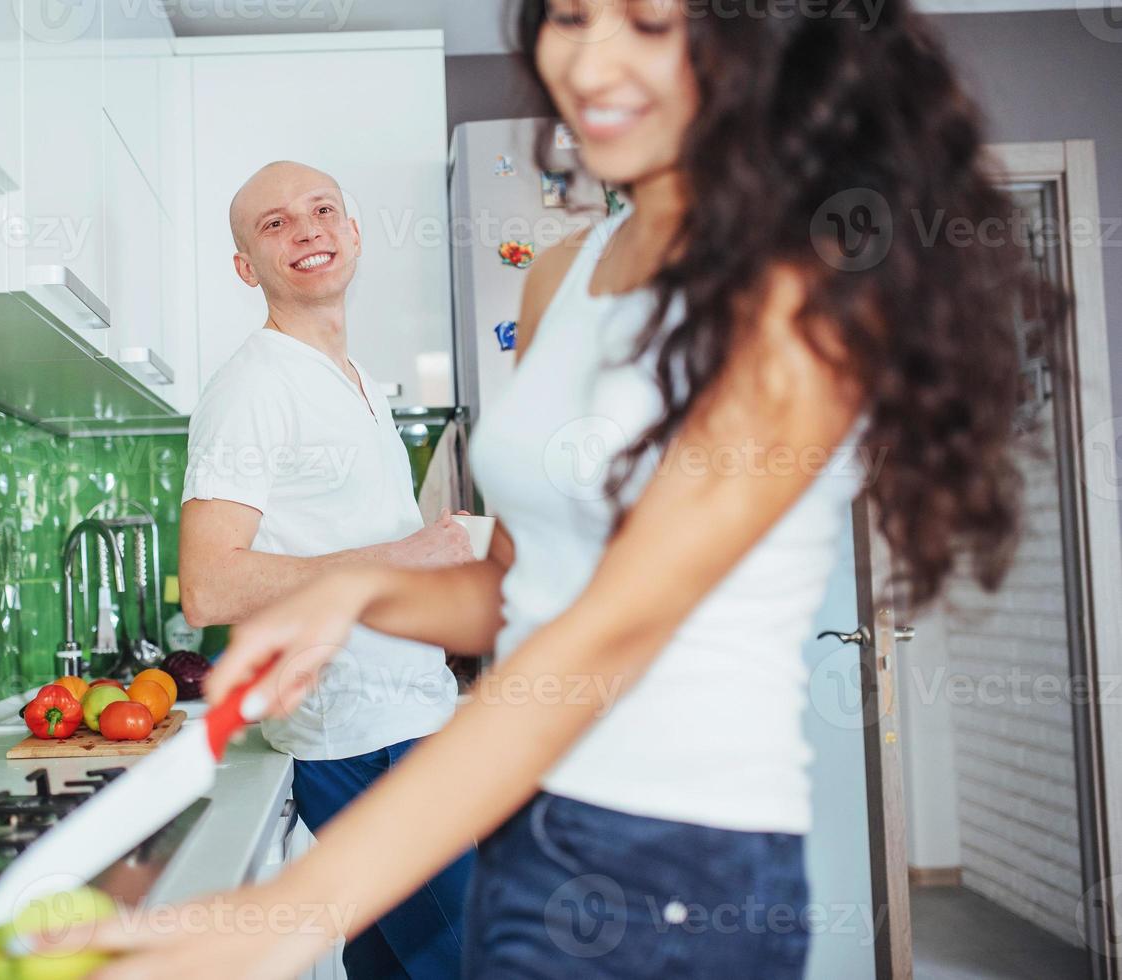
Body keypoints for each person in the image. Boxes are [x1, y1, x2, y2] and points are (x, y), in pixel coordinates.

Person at [64, 2, 1047, 977]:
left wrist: (280, 911)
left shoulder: (786, 297)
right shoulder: (559, 276)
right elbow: (514, 592)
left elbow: (607, 633)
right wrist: (349, 593)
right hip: (530, 812)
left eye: (648, 23)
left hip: (680, 857)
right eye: (569, 18)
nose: (590, 59)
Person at [177, 160, 477, 978]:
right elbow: (209, 585)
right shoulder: (252, 387)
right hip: (362, 741)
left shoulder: (357, 380)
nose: (306, 229)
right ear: (246, 267)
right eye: (274, 224)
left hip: (411, 724)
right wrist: (402, 556)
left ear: (352, 233)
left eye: (322, 211)